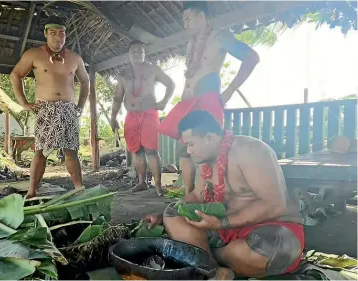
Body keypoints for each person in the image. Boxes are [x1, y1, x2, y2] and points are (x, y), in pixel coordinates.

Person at [144, 111, 304, 280]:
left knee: (269, 254)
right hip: (221, 229)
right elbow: (198, 195)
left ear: (209, 138)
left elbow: (275, 205)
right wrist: (164, 215)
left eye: (191, 144)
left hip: (270, 227)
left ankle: (201, 255)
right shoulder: (204, 160)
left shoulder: (250, 151)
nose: (189, 151)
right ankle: (214, 269)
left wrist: (222, 222)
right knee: (173, 213)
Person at [158, 1, 260, 194]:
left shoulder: (219, 37)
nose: (185, 24)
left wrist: (229, 90)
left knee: (210, 150)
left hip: (207, 101)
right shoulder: (191, 44)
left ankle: (215, 193)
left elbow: (252, 57)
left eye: (187, 19)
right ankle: (189, 194)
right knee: (186, 150)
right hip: (188, 104)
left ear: (201, 17)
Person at [10, 16, 90, 199]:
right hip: (45, 109)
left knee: (71, 150)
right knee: (40, 151)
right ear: (46, 34)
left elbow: (85, 81)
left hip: (69, 109)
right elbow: (15, 75)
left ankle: (79, 188)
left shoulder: (75, 58)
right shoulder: (34, 54)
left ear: (65, 36)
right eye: (53, 33)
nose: (57, 37)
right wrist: (23, 102)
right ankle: (32, 191)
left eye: (61, 33)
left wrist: (81, 106)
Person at [110, 41, 175, 196]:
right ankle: (142, 182)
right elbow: (118, 98)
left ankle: (158, 185)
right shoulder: (124, 73)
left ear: (145, 53)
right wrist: (113, 117)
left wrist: (164, 101)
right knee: (137, 151)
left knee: (151, 150)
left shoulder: (153, 69)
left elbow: (171, 84)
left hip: (149, 114)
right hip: (131, 116)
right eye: (133, 50)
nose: (137, 52)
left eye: (140, 50)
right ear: (129, 54)